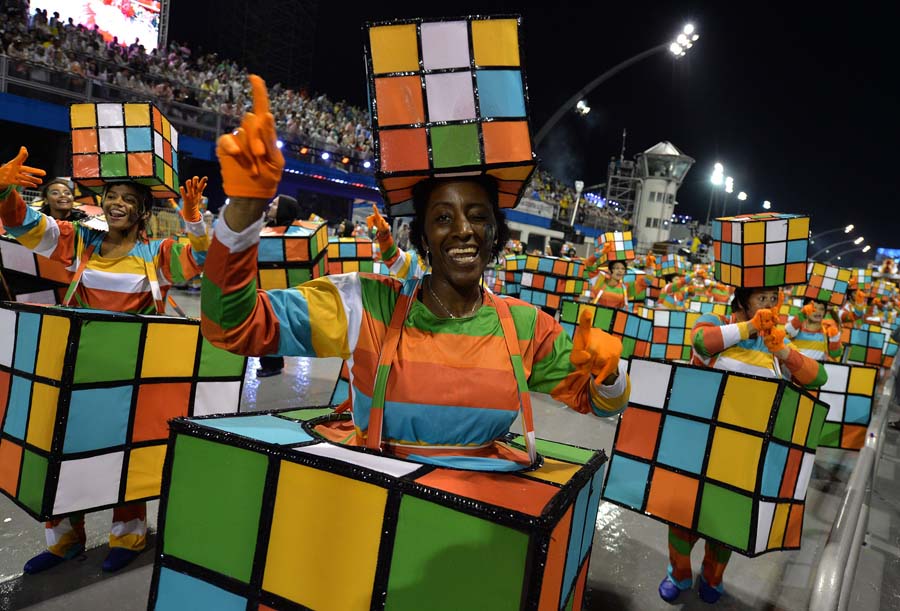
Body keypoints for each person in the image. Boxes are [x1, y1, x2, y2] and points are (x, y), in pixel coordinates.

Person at [202, 76, 631, 471]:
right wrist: (244, 207)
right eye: (443, 217)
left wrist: (610, 375)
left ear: (494, 231)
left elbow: (599, 404)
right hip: (372, 509)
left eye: (478, 216)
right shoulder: (363, 303)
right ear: (423, 235)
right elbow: (233, 326)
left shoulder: (527, 327)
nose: (463, 229)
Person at [0, 147, 209, 573]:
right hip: (75, 368)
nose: (117, 203)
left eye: (129, 200)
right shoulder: (78, 239)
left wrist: (193, 219)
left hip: (131, 372)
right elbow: (23, 224)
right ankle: (63, 541)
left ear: (143, 211)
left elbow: (203, 257)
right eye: (112, 195)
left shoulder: (161, 253)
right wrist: (3, 189)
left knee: (122, 453)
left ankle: (129, 534)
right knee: (60, 447)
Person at [659, 286, 826, 603]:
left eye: (773, 299)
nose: (769, 305)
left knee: (726, 522)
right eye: (762, 298)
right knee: (683, 517)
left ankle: (713, 577)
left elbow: (818, 378)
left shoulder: (776, 337)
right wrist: (750, 328)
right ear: (742, 299)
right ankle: (678, 574)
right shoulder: (716, 320)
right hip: (700, 441)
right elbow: (699, 342)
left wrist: (783, 352)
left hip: (746, 452)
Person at [257, 193, 301, 377]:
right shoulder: (268, 228)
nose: (270, 205)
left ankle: (273, 364)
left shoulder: (293, 234)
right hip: (264, 287)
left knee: (274, 326)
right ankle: (269, 362)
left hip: (281, 291)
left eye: (274, 204)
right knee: (264, 325)